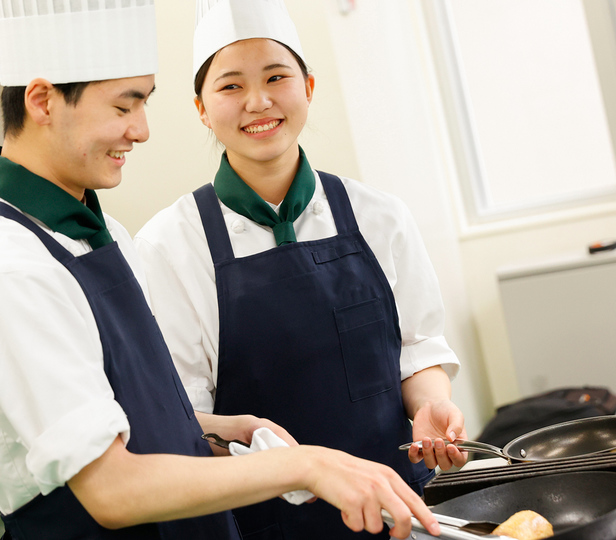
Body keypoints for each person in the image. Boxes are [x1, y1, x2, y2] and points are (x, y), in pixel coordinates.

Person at [0, 1, 442, 539]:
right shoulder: (4, 270)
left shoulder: (98, 238)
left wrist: (216, 430)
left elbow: (117, 417)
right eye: (125, 107)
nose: (142, 131)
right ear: (42, 101)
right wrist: (304, 464)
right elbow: (112, 488)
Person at [134, 0, 469, 537]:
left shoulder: (380, 217)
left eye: (276, 76)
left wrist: (432, 403)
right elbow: (181, 414)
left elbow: (418, 346)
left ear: (308, 87)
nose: (258, 101)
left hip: (400, 513)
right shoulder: (169, 246)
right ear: (200, 107)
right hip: (262, 523)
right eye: (230, 86)